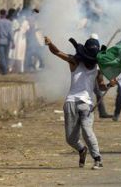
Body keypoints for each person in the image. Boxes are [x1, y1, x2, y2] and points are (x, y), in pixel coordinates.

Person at [44, 35, 111, 170]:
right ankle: (81, 150)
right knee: (70, 139)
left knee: (87, 131)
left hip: (86, 104)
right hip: (71, 102)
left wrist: (110, 85)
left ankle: (97, 159)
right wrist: (50, 43)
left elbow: (101, 86)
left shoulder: (98, 69)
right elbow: (57, 52)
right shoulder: (74, 62)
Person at [0, 9, 14, 75]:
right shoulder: (9, 22)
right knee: (6, 56)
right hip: (7, 41)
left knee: (2, 56)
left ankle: (4, 70)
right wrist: (13, 41)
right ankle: (5, 69)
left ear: (0, 14)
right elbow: (10, 33)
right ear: (6, 14)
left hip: (0, 41)